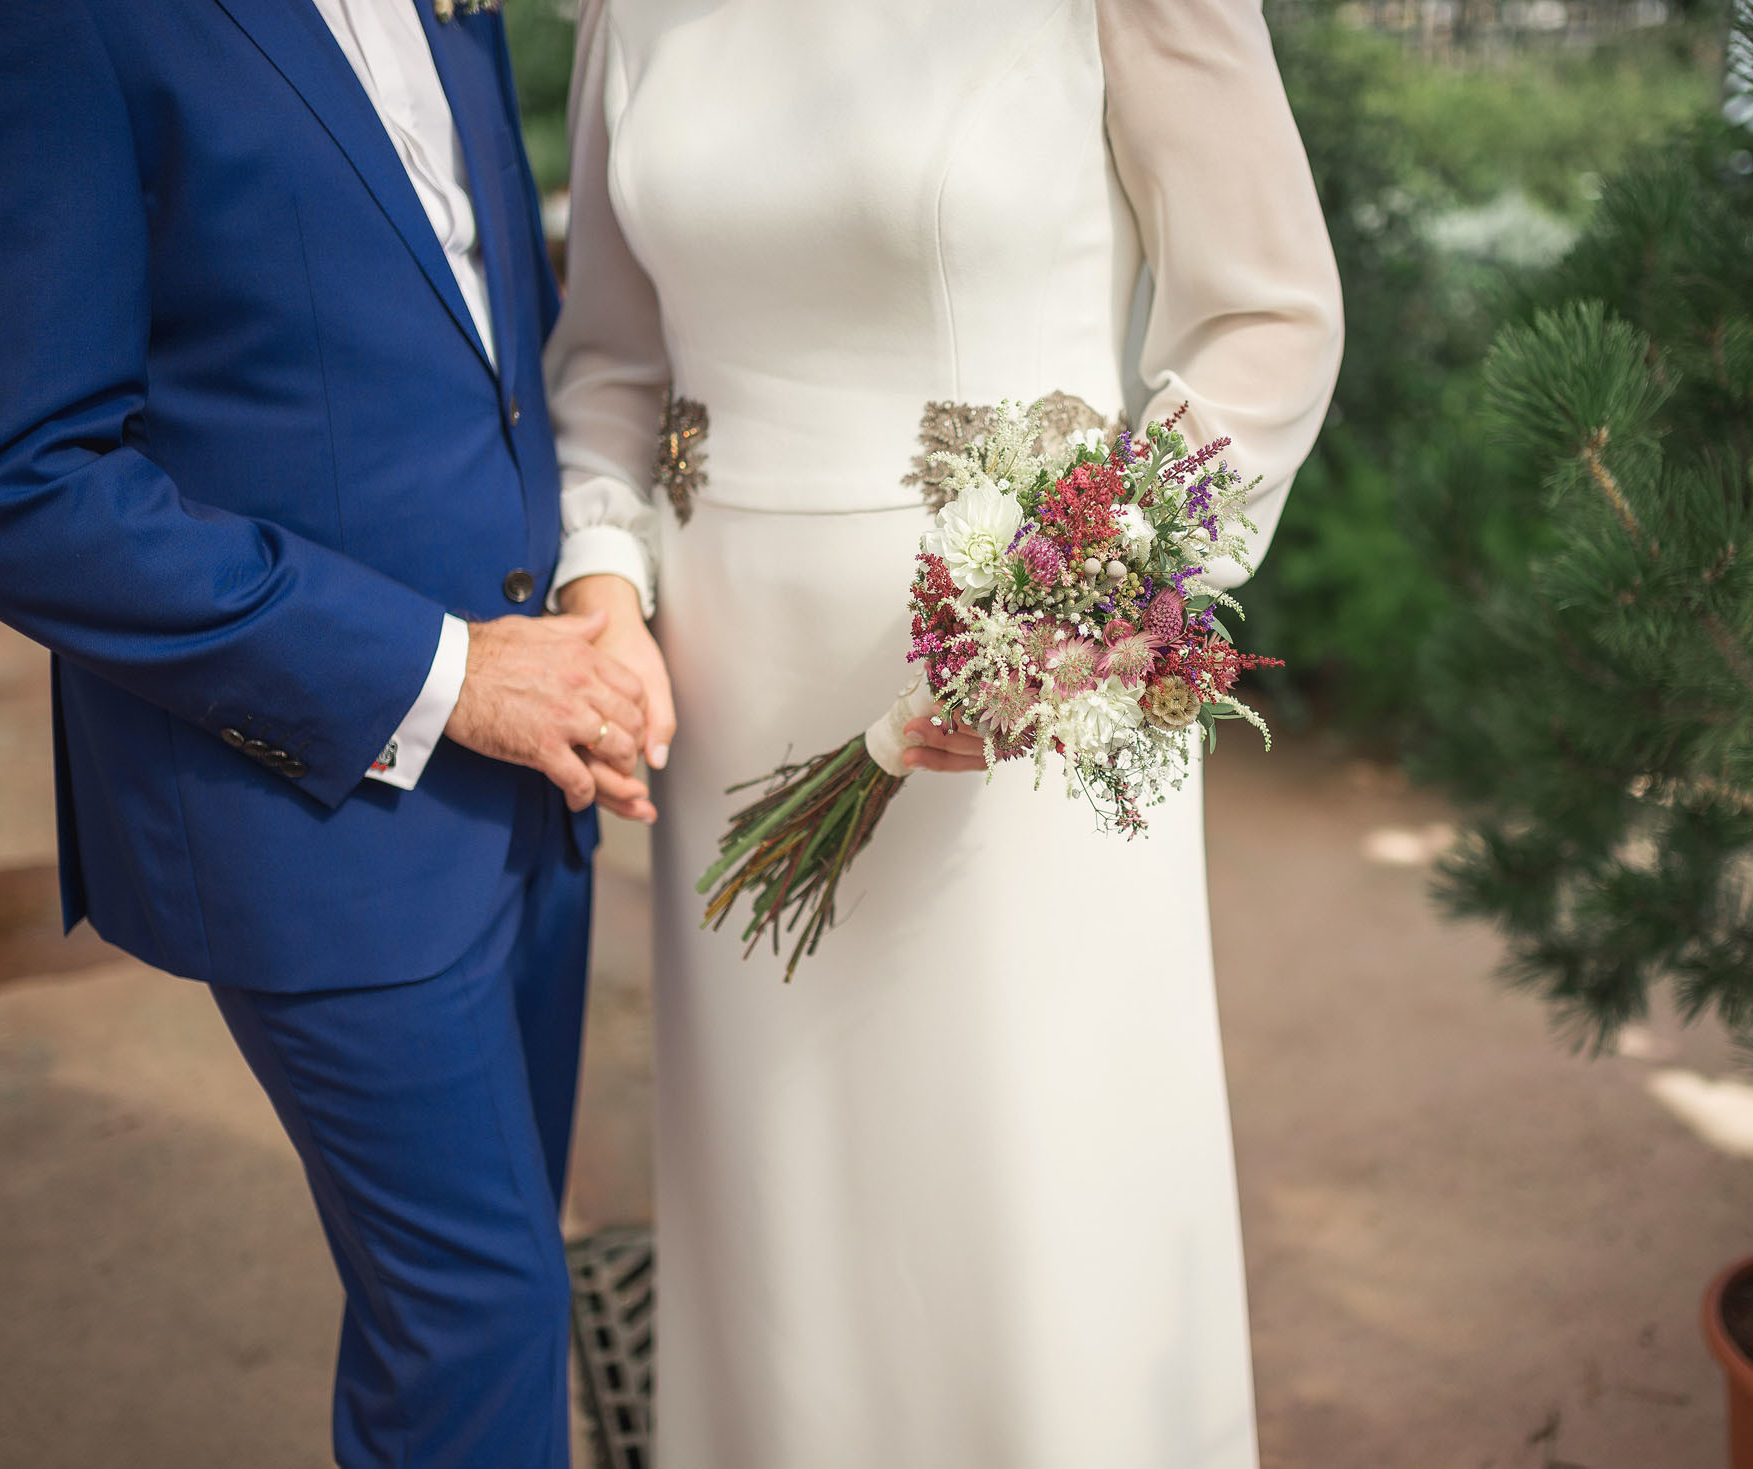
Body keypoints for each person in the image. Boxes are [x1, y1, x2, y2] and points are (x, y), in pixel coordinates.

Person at [545, 1, 1343, 1463]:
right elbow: (608, 358)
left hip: (1022, 685)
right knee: (788, 1207)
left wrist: (1093, 595)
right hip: (740, 691)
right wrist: (604, 573)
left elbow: (1267, 317)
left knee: (1027, 1196)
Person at [0, 4, 657, 1464]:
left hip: (539, 776)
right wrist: (451, 675)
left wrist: (592, 585)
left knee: (472, 1282)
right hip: (314, 798)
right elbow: (6, 482)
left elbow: (486, 338)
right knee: (483, 1317)